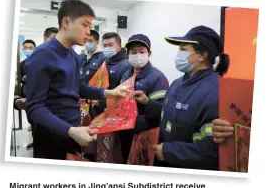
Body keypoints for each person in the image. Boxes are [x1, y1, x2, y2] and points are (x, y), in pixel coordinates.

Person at [24, 0, 128, 160]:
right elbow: (34, 107)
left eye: (90, 26)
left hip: (72, 129)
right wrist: (70, 131)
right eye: (84, 25)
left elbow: (78, 86)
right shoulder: (43, 55)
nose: (88, 32)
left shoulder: (72, 54)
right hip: (52, 133)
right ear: (66, 22)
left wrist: (109, 92)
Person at [130, 25, 230, 170]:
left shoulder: (216, 91)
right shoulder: (177, 83)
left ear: (202, 55)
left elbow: (213, 151)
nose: (179, 54)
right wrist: (147, 102)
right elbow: (166, 114)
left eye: (183, 50)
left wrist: (168, 151)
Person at [119, 34, 169, 163]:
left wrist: (147, 101)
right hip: (124, 130)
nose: (137, 55)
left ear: (149, 54)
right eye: (133, 52)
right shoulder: (126, 74)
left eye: (141, 52)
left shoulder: (158, 78)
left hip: (143, 134)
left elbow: (161, 111)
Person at [14, 28, 59, 151]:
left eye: (30, 47)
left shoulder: (58, 58)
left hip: (47, 102)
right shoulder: (24, 63)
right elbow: (19, 79)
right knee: (34, 124)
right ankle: (36, 143)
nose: (28, 50)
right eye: (26, 48)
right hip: (29, 99)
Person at [92, 32, 131, 117]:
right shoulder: (104, 61)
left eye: (110, 45)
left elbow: (123, 92)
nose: (107, 48)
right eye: (105, 46)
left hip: (113, 112)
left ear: (119, 46)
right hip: (98, 108)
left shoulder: (126, 65)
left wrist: (100, 102)